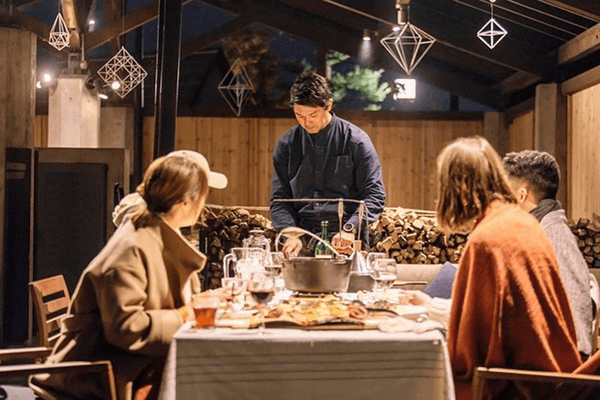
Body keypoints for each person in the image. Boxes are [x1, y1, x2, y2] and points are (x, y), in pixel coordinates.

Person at [29, 150, 228, 400]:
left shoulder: (160, 234)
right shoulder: (132, 247)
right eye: (204, 193)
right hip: (99, 379)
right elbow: (126, 328)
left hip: (135, 365)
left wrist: (201, 307)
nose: (204, 203)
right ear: (185, 201)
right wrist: (185, 315)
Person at [436, 137, 581, 399]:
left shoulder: (486, 240)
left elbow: (468, 351)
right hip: (559, 379)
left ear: (457, 189)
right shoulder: (525, 222)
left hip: (521, 387)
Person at [270, 71, 386, 257]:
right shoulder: (286, 145)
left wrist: (350, 228)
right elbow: (279, 200)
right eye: (299, 115)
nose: (307, 122)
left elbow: (375, 195)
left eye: (312, 115)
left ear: (328, 105)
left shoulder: (356, 141)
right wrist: (290, 232)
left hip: (346, 237)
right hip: (301, 239)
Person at [503, 150, 593, 359]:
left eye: (505, 194)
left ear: (521, 195)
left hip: (550, 372)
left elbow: (578, 341)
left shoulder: (553, 238)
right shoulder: (539, 232)